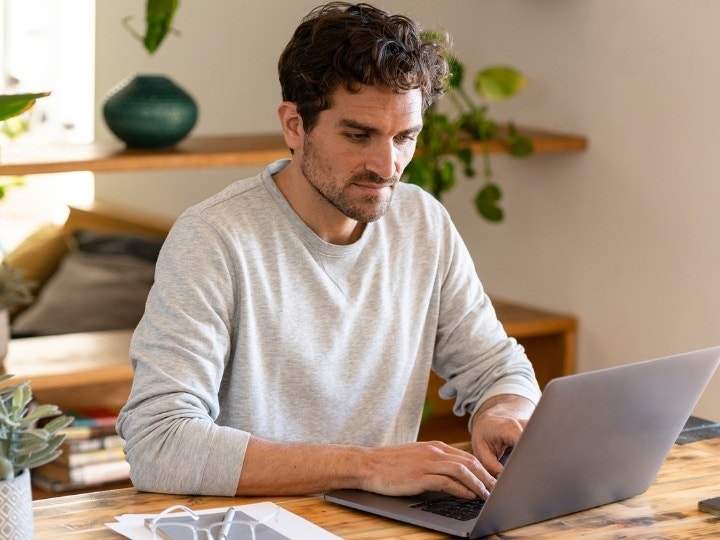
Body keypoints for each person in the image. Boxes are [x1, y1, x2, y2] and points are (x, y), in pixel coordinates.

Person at [117, 1, 541, 502]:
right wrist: (364, 466)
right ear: (294, 126)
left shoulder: (422, 222)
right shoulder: (214, 238)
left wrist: (504, 410)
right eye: (358, 135)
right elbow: (159, 443)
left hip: (381, 524)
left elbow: (497, 367)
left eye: (405, 137)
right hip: (253, 525)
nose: (387, 166)